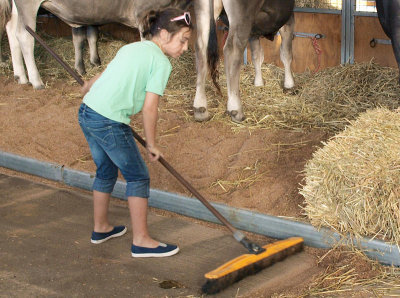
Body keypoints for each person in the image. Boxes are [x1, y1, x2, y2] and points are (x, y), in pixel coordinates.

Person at [78, 8, 193, 258]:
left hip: (88, 111)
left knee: (106, 170)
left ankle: (101, 228)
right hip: (108, 121)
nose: (185, 48)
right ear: (163, 35)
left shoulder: (132, 48)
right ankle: (141, 240)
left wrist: (89, 85)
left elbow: (107, 73)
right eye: (183, 40)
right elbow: (150, 108)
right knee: (138, 176)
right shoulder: (161, 62)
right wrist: (151, 143)